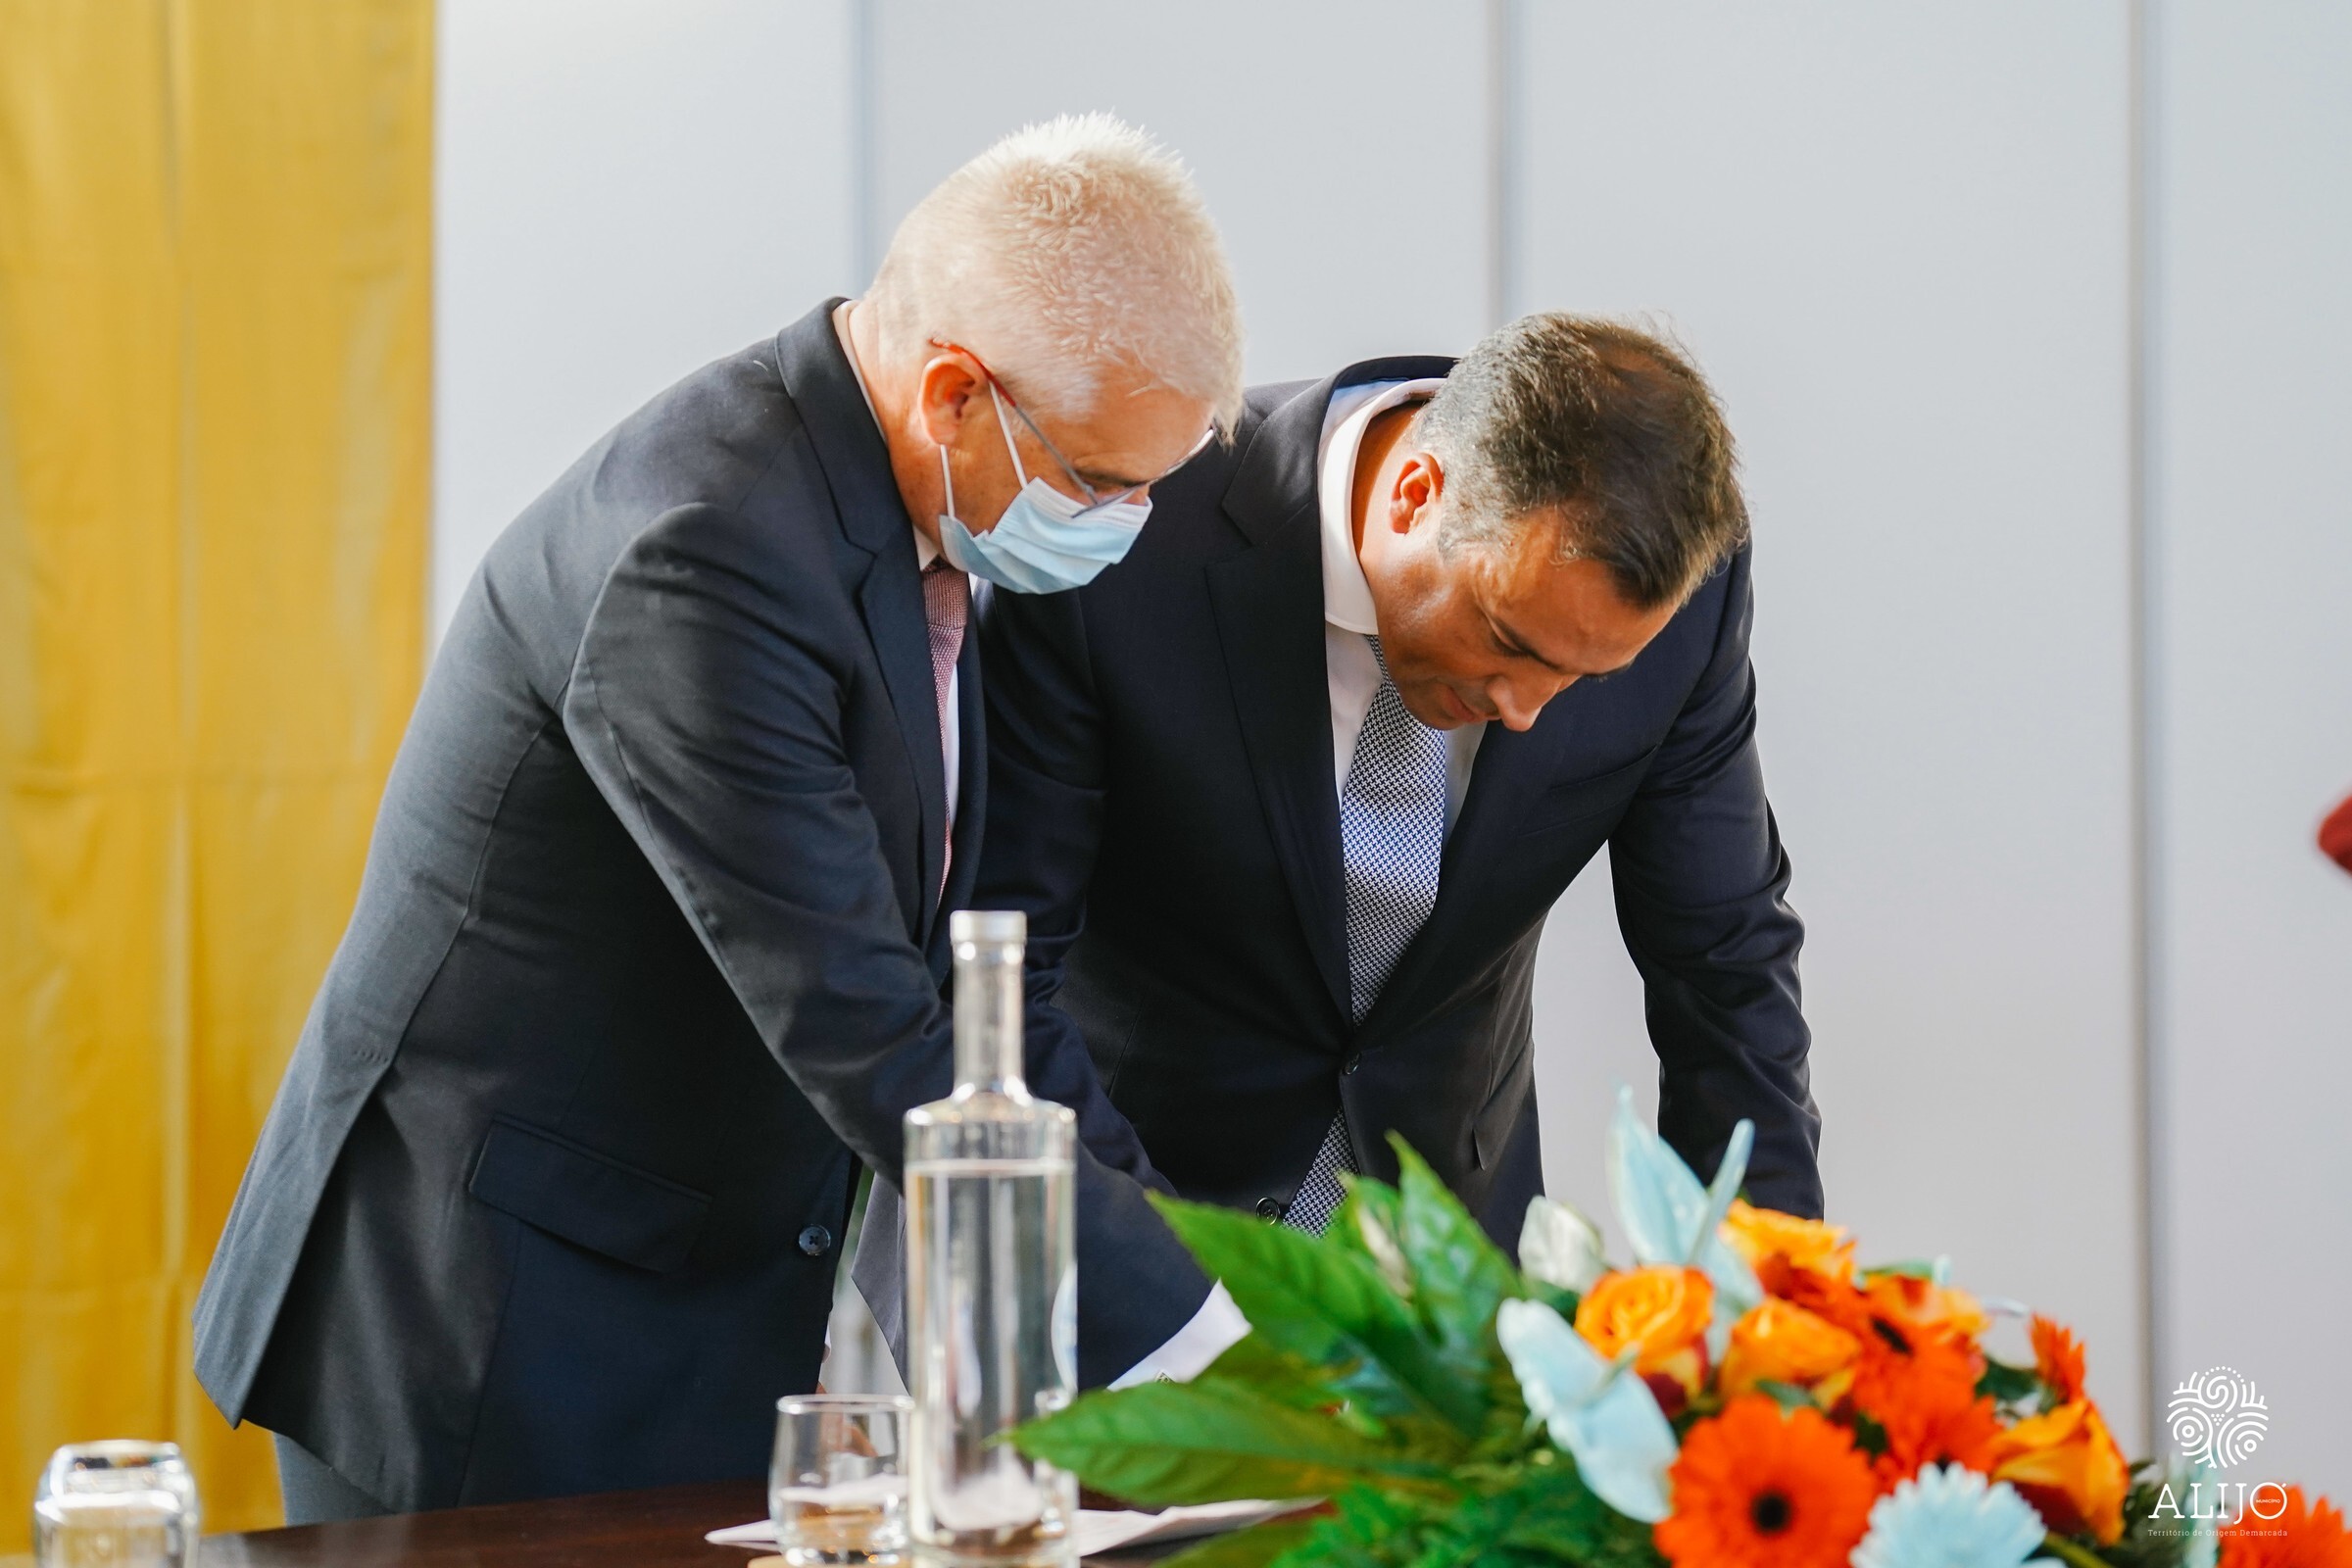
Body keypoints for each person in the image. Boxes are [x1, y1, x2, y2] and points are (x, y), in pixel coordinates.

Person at [192, 115, 1243, 1520]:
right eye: (1104, 483)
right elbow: (867, 1019)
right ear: (953, 394)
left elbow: (956, 978)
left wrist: (1209, 1286)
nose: (1131, 522)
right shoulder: (706, 552)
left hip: (676, 1283)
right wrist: (1206, 1361)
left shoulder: (894, 508)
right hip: (495, 1316)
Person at [927, 315, 1822, 1377]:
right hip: (1121, 1265)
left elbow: (1724, 967)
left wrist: (1769, 1328)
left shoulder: (1684, 601)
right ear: (1414, 494)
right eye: (1508, 641)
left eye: (1581, 677)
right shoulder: (1132, 530)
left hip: (1452, 1298)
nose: (1528, 709)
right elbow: (999, 979)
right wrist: (1182, 1318)